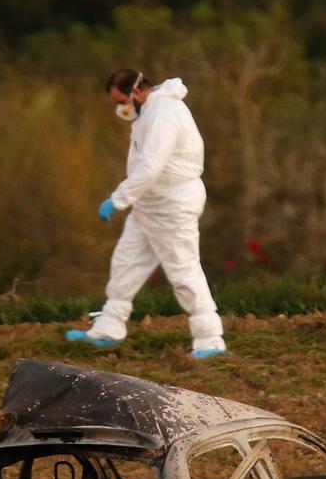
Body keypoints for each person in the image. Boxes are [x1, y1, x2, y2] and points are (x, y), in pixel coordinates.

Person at [65, 68, 227, 359]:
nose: (122, 108)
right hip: (149, 205)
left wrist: (118, 199)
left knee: (183, 269)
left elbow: (151, 165)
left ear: (136, 92)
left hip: (172, 205)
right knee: (126, 262)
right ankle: (109, 327)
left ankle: (210, 338)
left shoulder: (164, 113)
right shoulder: (150, 112)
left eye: (122, 100)